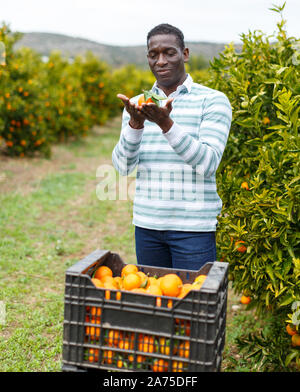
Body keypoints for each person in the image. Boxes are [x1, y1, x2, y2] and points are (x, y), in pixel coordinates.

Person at [112, 23, 232, 271]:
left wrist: (166, 124)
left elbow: (208, 164)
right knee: (157, 304)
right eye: (153, 54)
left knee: (193, 306)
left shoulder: (213, 101)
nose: (161, 61)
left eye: (169, 52)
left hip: (194, 229)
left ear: (185, 54)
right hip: (147, 226)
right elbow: (122, 167)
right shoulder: (137, 105)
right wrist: (135, 124)